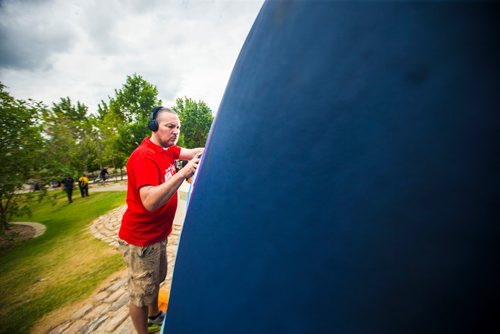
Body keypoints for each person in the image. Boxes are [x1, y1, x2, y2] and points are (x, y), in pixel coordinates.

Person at [118, 106, 204, 334]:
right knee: (139, 294)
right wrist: (183, 173)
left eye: (177, 127)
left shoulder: (167, 149)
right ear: (155, 127)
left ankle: (154, 314)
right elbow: (149, 201)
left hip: (158, 234)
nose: (175, 131)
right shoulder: (144, 156)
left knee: (155, 281)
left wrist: (217, 145)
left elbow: (193, 151)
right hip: (141, 240)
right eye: (170, 126)